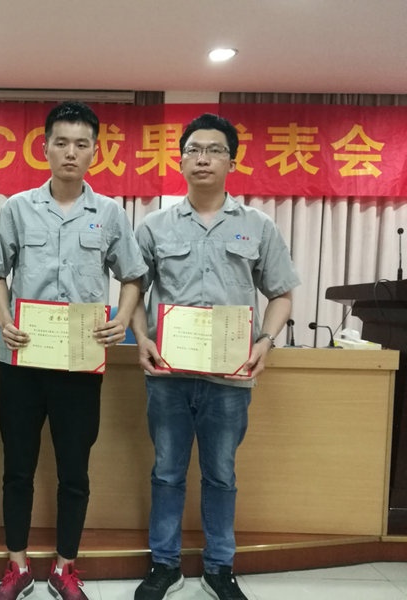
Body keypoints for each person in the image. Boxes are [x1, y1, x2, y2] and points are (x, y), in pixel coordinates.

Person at [130, 113, 300, 600]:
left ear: (232, 162)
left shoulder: (257, 226)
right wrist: (141, 338)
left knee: (221, 474)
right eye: (193, 150)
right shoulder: (154, 225)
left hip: (230, 377)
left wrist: (265, 341)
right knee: (166, 472)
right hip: (168, 375)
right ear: (181, 160)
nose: (202, 158)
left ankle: (219, 567)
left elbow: (281, 293)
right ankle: (164, 565)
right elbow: (133, 290)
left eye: (214, 150)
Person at [0, 101, 145, 600]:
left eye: (81, 144)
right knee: (17, 468)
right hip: (23, 361)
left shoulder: (110, 214)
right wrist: (5, 319)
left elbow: (133, 276)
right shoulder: (17, 208)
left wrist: (122, 319)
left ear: (94, 151)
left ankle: (64, 567)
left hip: (80, 363)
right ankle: (17, 566)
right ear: (45, 148)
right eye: (61, 142)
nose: (70, 152)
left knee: (75, 470)